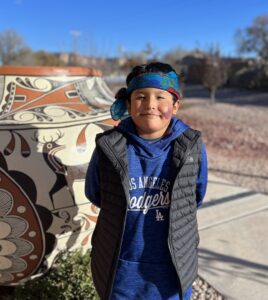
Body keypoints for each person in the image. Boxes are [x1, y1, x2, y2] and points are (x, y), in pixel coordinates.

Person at [85, 62, 208, 300]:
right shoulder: (108, 147)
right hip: (119, 269)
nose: (150, 105)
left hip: (172, 270)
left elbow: (196, 196)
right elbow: (96, 193)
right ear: (128, 104)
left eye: (160, 97)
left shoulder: (191, 147)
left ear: (175, 104)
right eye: (141, 96)